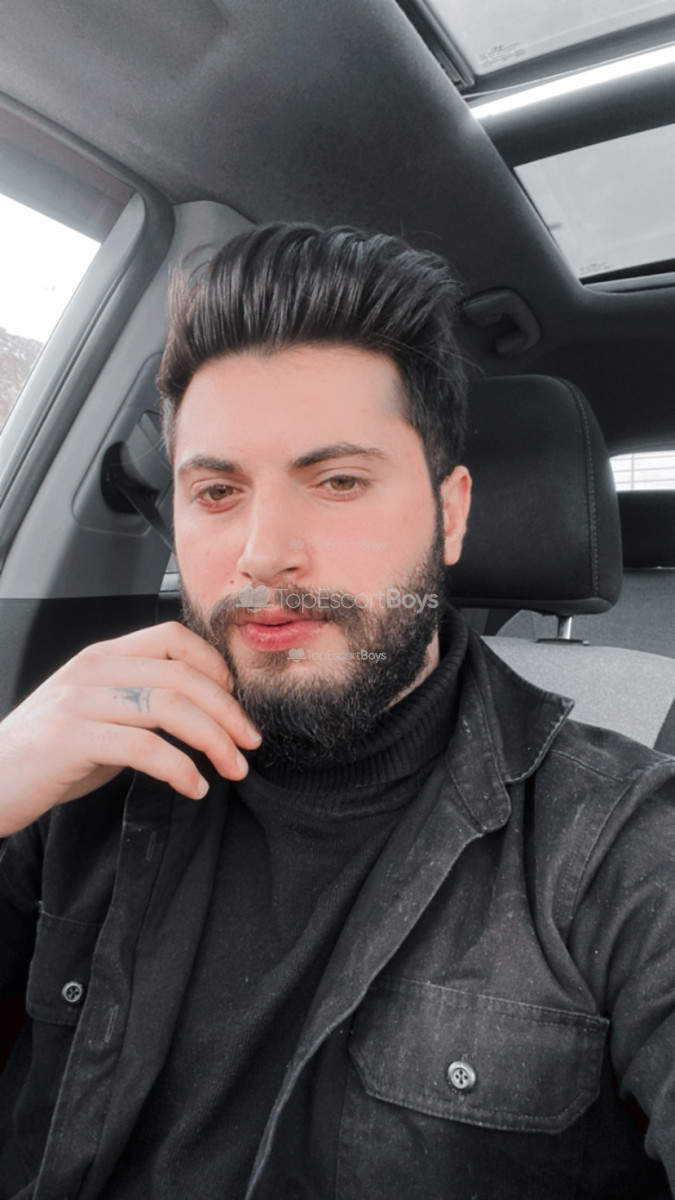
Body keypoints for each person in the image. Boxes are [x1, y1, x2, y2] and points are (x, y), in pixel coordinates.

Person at [0, 223, 674, 1200]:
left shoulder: (618, 840)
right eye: (218, 490)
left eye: (339, 481)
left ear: (449, 513)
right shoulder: (86, 768)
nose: (264, 551)